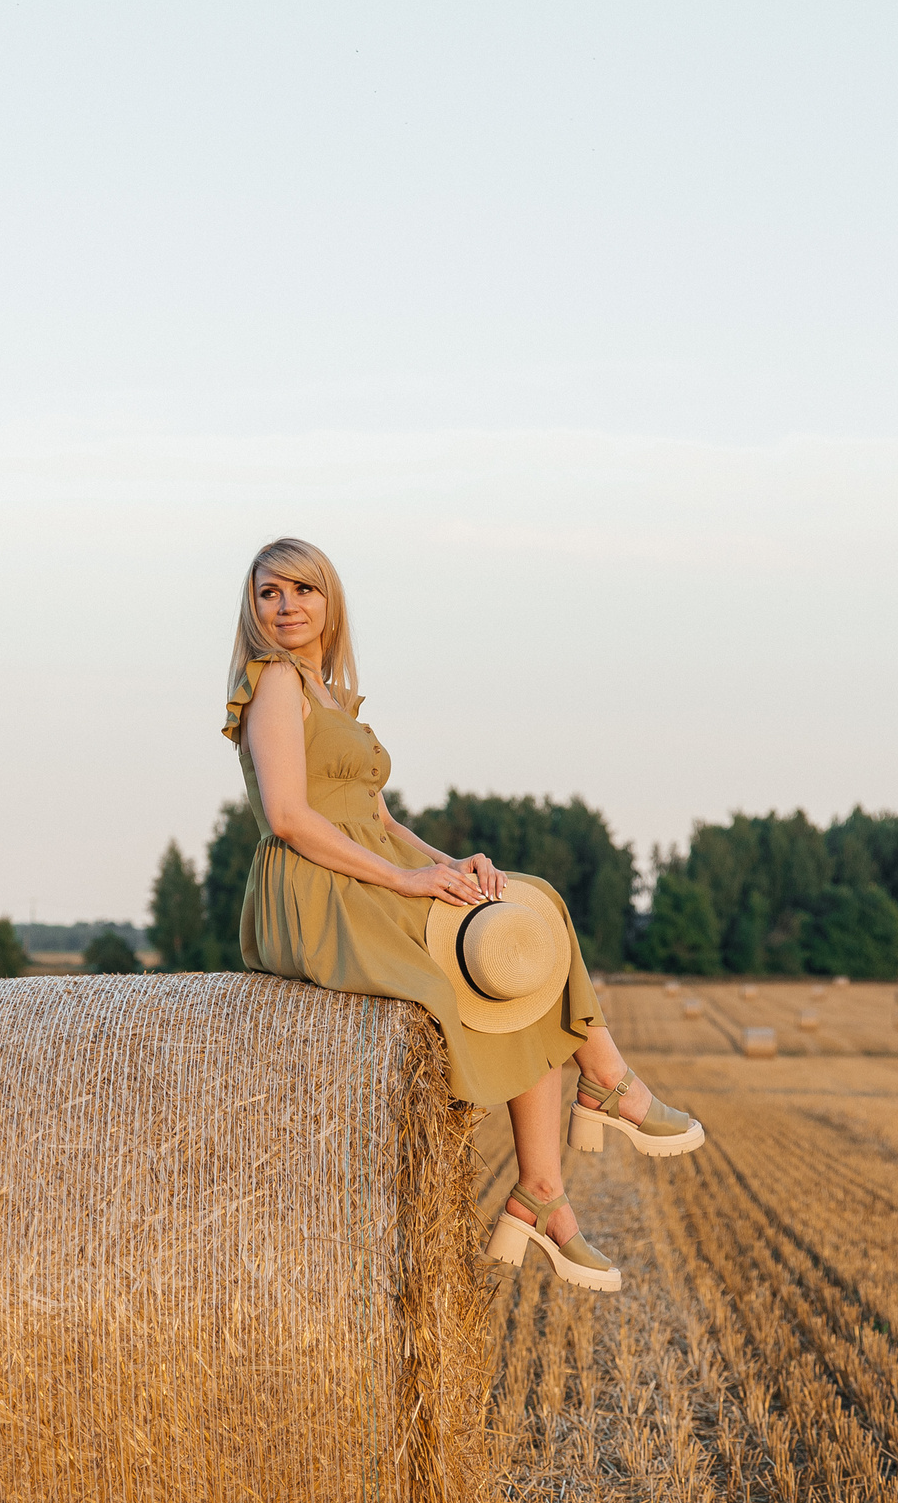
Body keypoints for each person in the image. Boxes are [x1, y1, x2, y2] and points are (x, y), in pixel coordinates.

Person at [221, 538, 705, 1294]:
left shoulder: (328, 694)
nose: (285, 608)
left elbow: (377, 817)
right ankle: (599, 1097)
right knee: (489, 966)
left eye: (301, 591)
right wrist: (406, 882)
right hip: (317, 890)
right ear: (251, 609)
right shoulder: (275, 684)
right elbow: (287, 817)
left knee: (520, 908)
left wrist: (449, 868)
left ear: (329, 600)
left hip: (366, 868)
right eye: (268, 594)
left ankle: (544, 1184)